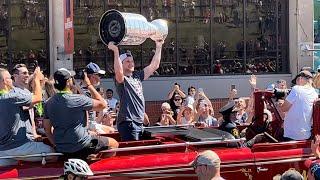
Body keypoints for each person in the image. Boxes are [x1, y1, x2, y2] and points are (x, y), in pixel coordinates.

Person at [44, 68, 118, 160]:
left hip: (62, 147)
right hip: (81, 144)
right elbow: (103, 105)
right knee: (114, 143)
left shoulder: (48, 103)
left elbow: (47, 130)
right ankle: (96, 168)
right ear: (68, 82)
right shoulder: (78, 99)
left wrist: (56, 145)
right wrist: (89, 85)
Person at [107, 39, 164, 141]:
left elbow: (154, 66)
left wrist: (159, 46)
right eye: (127, 62)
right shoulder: (121, 79)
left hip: (139, 122)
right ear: (121, 64)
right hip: (128, 122)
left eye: (132, 61)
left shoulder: (137, 76)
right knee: (132, 153)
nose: (131, 63)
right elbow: (119, 74)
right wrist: (115, 52)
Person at [0, 68, 55, 166]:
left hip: (2, 150)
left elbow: (27, 105)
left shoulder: (10, 97)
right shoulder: (12, 97)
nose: (11, 80)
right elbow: (38, 98)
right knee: (54, 153)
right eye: (9, 78)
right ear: (4, 81)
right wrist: (37, 80)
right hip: (18, 147)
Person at [279, 70, 318, 140]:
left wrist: (280, 103)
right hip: (306, 135)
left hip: (292, 134)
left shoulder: (297, 89)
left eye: (296, 81)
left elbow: (283, 108)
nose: (296, 84)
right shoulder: (315, 93)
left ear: (300, 79)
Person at [12, 63, 41, 140]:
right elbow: (38, 99)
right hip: (20, 138)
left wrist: (34, 134)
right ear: (15, 76)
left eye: (28, 73)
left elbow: (30, 116)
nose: (27, 75)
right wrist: (36, 79)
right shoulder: (13, 92)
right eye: (24, 73)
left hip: (30, 135)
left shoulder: (27, 92)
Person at [81, 62, 108, 133]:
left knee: (111, 130)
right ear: (92, 76)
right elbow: (85, 112)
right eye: (98, 75)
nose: (100, 78)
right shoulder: (85, 92)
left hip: (92, 123)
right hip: (88, 125)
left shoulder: (88, 90)